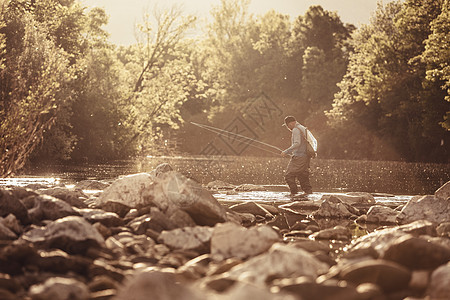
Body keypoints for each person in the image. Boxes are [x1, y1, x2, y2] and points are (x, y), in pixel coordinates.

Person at [281, 116, 312, 197]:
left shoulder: (295, 129)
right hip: (306, 157)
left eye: (288, 125)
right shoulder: (303, 128)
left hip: (299, 157)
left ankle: (294, 194)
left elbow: (297, 143)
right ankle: (308, 194)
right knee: (302, 176)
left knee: (288, 175)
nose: (288, 128)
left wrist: (286, 151)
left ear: (292, 123)